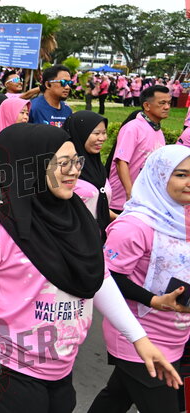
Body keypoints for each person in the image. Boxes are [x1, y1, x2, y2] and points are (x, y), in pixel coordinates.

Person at [0, 124, 181, 413]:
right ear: (30, 167)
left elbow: (97, 278)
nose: (74, 171)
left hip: (59, 365)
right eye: (62, 163)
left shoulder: (76, 214)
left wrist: (140, 340)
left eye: (76, 161)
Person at [88, 145, 190, 413]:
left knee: (116, 397)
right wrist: (154, 300)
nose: (189, 182)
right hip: (140, 335)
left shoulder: (184, 217)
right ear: (158, 176)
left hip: (176, 332)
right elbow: (107, 277)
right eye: (181, 175)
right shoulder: (134, 226)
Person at [108, 85, 170, 213]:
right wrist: (130, 193)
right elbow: (121, 162)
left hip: (144, 201)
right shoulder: (133, 128)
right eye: (162, 103)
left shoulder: (158, 131)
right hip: (122, 202)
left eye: (169, 103)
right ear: (147, 106)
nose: (167, 107)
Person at [64, 111, 114, 232]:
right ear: (80, 134)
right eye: (96, 133)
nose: (102, 138)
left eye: (104, 133)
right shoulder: (63, 170)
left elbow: (99, 207)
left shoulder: (97, 167)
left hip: (99, 236)